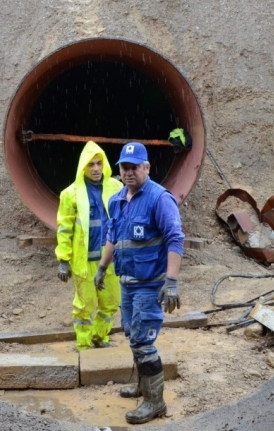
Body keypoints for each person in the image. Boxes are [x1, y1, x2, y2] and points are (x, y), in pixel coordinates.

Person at [94, 142, 184, 424]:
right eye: (124, 167)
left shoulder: (160, 199)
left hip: (150, 284)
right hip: (127, 283)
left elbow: (175, 239)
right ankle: (144, 385)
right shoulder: (117, 200)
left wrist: (171, 282)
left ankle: (155, 402)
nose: (129, 172)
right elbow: (113, 236)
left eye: (135, 167)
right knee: (133, 334)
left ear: (147, 167)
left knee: (144, 342)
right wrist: (101, 268)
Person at [55, 140, 123, 351]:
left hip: (109, 259)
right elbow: (64, 228)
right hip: (83, 260)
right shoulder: (70, 193)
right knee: (84, 306)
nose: (95, 169)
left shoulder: (116, 187)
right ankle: (83, 345)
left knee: (111, 302)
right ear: (83, 166)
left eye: (99, 163)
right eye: (91, 164)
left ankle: (98, 337)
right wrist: (63, 260)